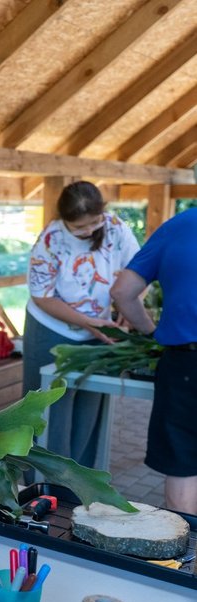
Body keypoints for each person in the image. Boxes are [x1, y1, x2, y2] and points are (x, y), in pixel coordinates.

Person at [22, 181, 140, 468]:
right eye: (79, 228)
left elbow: (138, 270)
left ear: (104, 213)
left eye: (94, 223)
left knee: (90, 405)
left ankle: (81, 482)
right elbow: (43, 297)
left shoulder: (115, 227)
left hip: (99, 329)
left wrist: (129, 305)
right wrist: (87, 322)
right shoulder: (50, 240)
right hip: (53, 329)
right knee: (51, 408)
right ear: (64, 220)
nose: (88, 231)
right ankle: (46, 485)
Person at [111, 208, 197, 515]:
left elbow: (122, 292)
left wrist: (150, 331)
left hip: (187, 365)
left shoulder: (178, 227)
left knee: (183, 467)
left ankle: (187, 558)